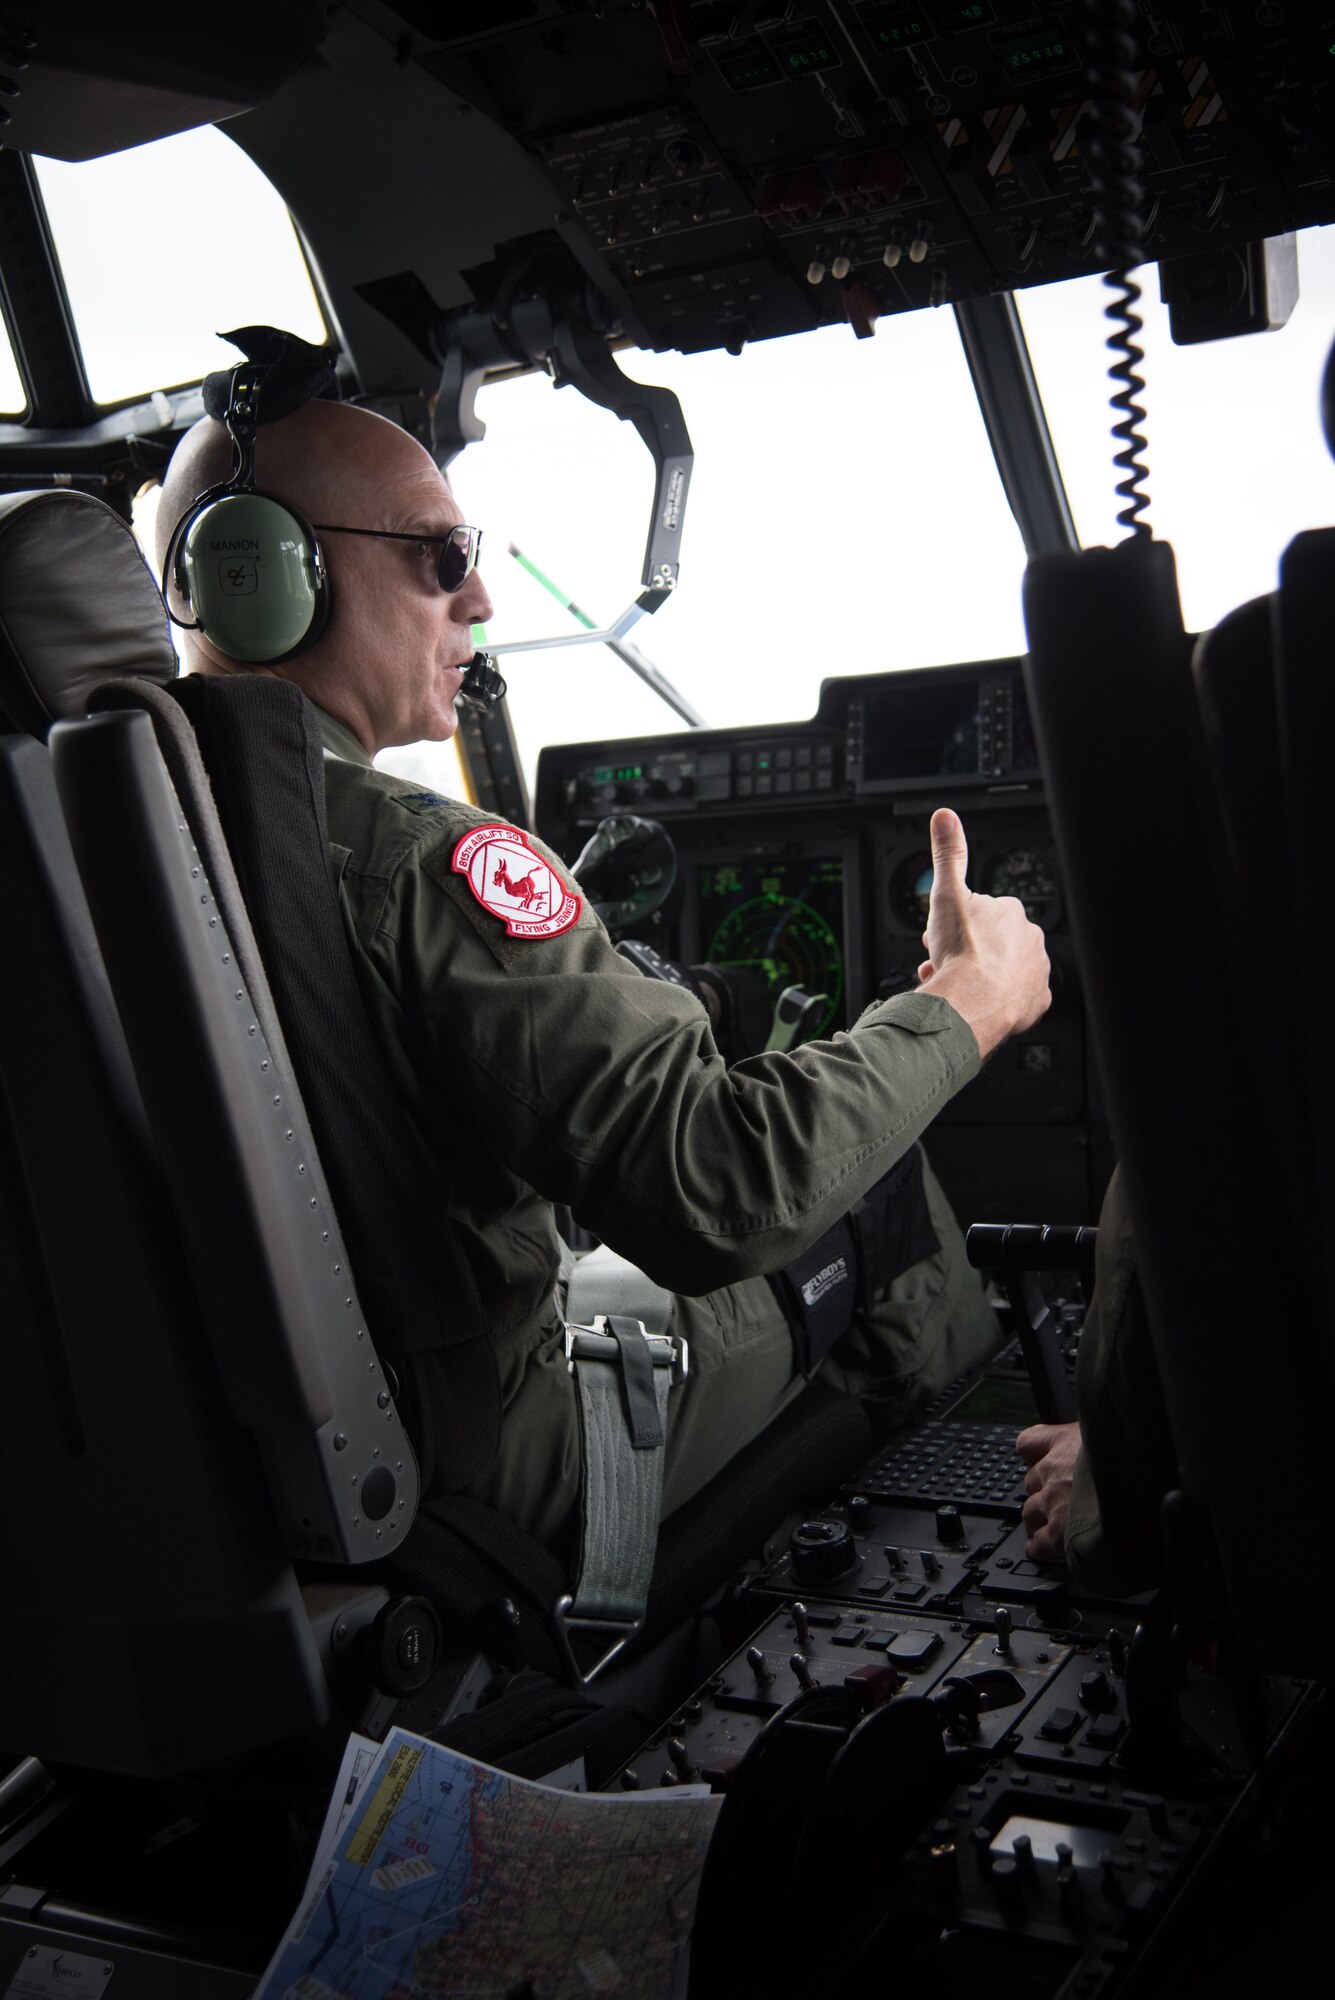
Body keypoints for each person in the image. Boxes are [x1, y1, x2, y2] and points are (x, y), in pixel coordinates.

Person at [155, 394, 1052, 1553]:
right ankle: (1001, 1528)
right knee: (874, 1189)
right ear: (266, 576)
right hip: (484, 1442)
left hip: (207, 1465)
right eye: (442, 556)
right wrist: (968, 1002)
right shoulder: (413, 859)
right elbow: (720, 1184)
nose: (481, 597)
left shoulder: (123, 837)